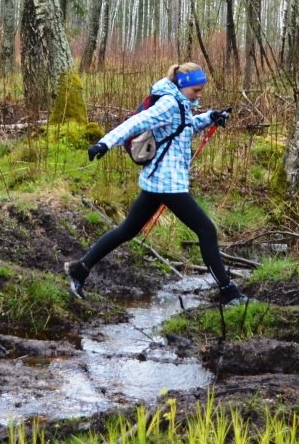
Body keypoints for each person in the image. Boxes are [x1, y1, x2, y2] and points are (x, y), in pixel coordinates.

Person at [65, 62, 249, 306]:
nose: (199, 95)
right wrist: (105, 143)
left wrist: (210, 117)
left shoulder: (180, 103)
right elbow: (136, 123)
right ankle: (228, 291)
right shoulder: (168, 104)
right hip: (168, 185)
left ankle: (80, 268)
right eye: (196, 90)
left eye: (201, 90)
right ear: (183, 86)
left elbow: (185, 127)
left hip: (157, 182)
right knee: (207, 231)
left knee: (127, 230)